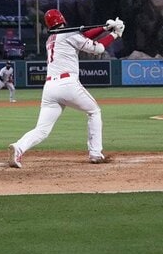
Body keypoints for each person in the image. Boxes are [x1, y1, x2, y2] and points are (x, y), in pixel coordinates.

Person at [8, 9, 123, 167]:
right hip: (67, 84)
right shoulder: (69, 34)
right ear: (62, 19)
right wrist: (115, 34)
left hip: (50, 88)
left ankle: (19, 147)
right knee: (94, 111)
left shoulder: (50, 39)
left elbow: (83, 36)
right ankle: (95, 153)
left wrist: (104, 28)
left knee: (42, 129)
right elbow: (98, 49)